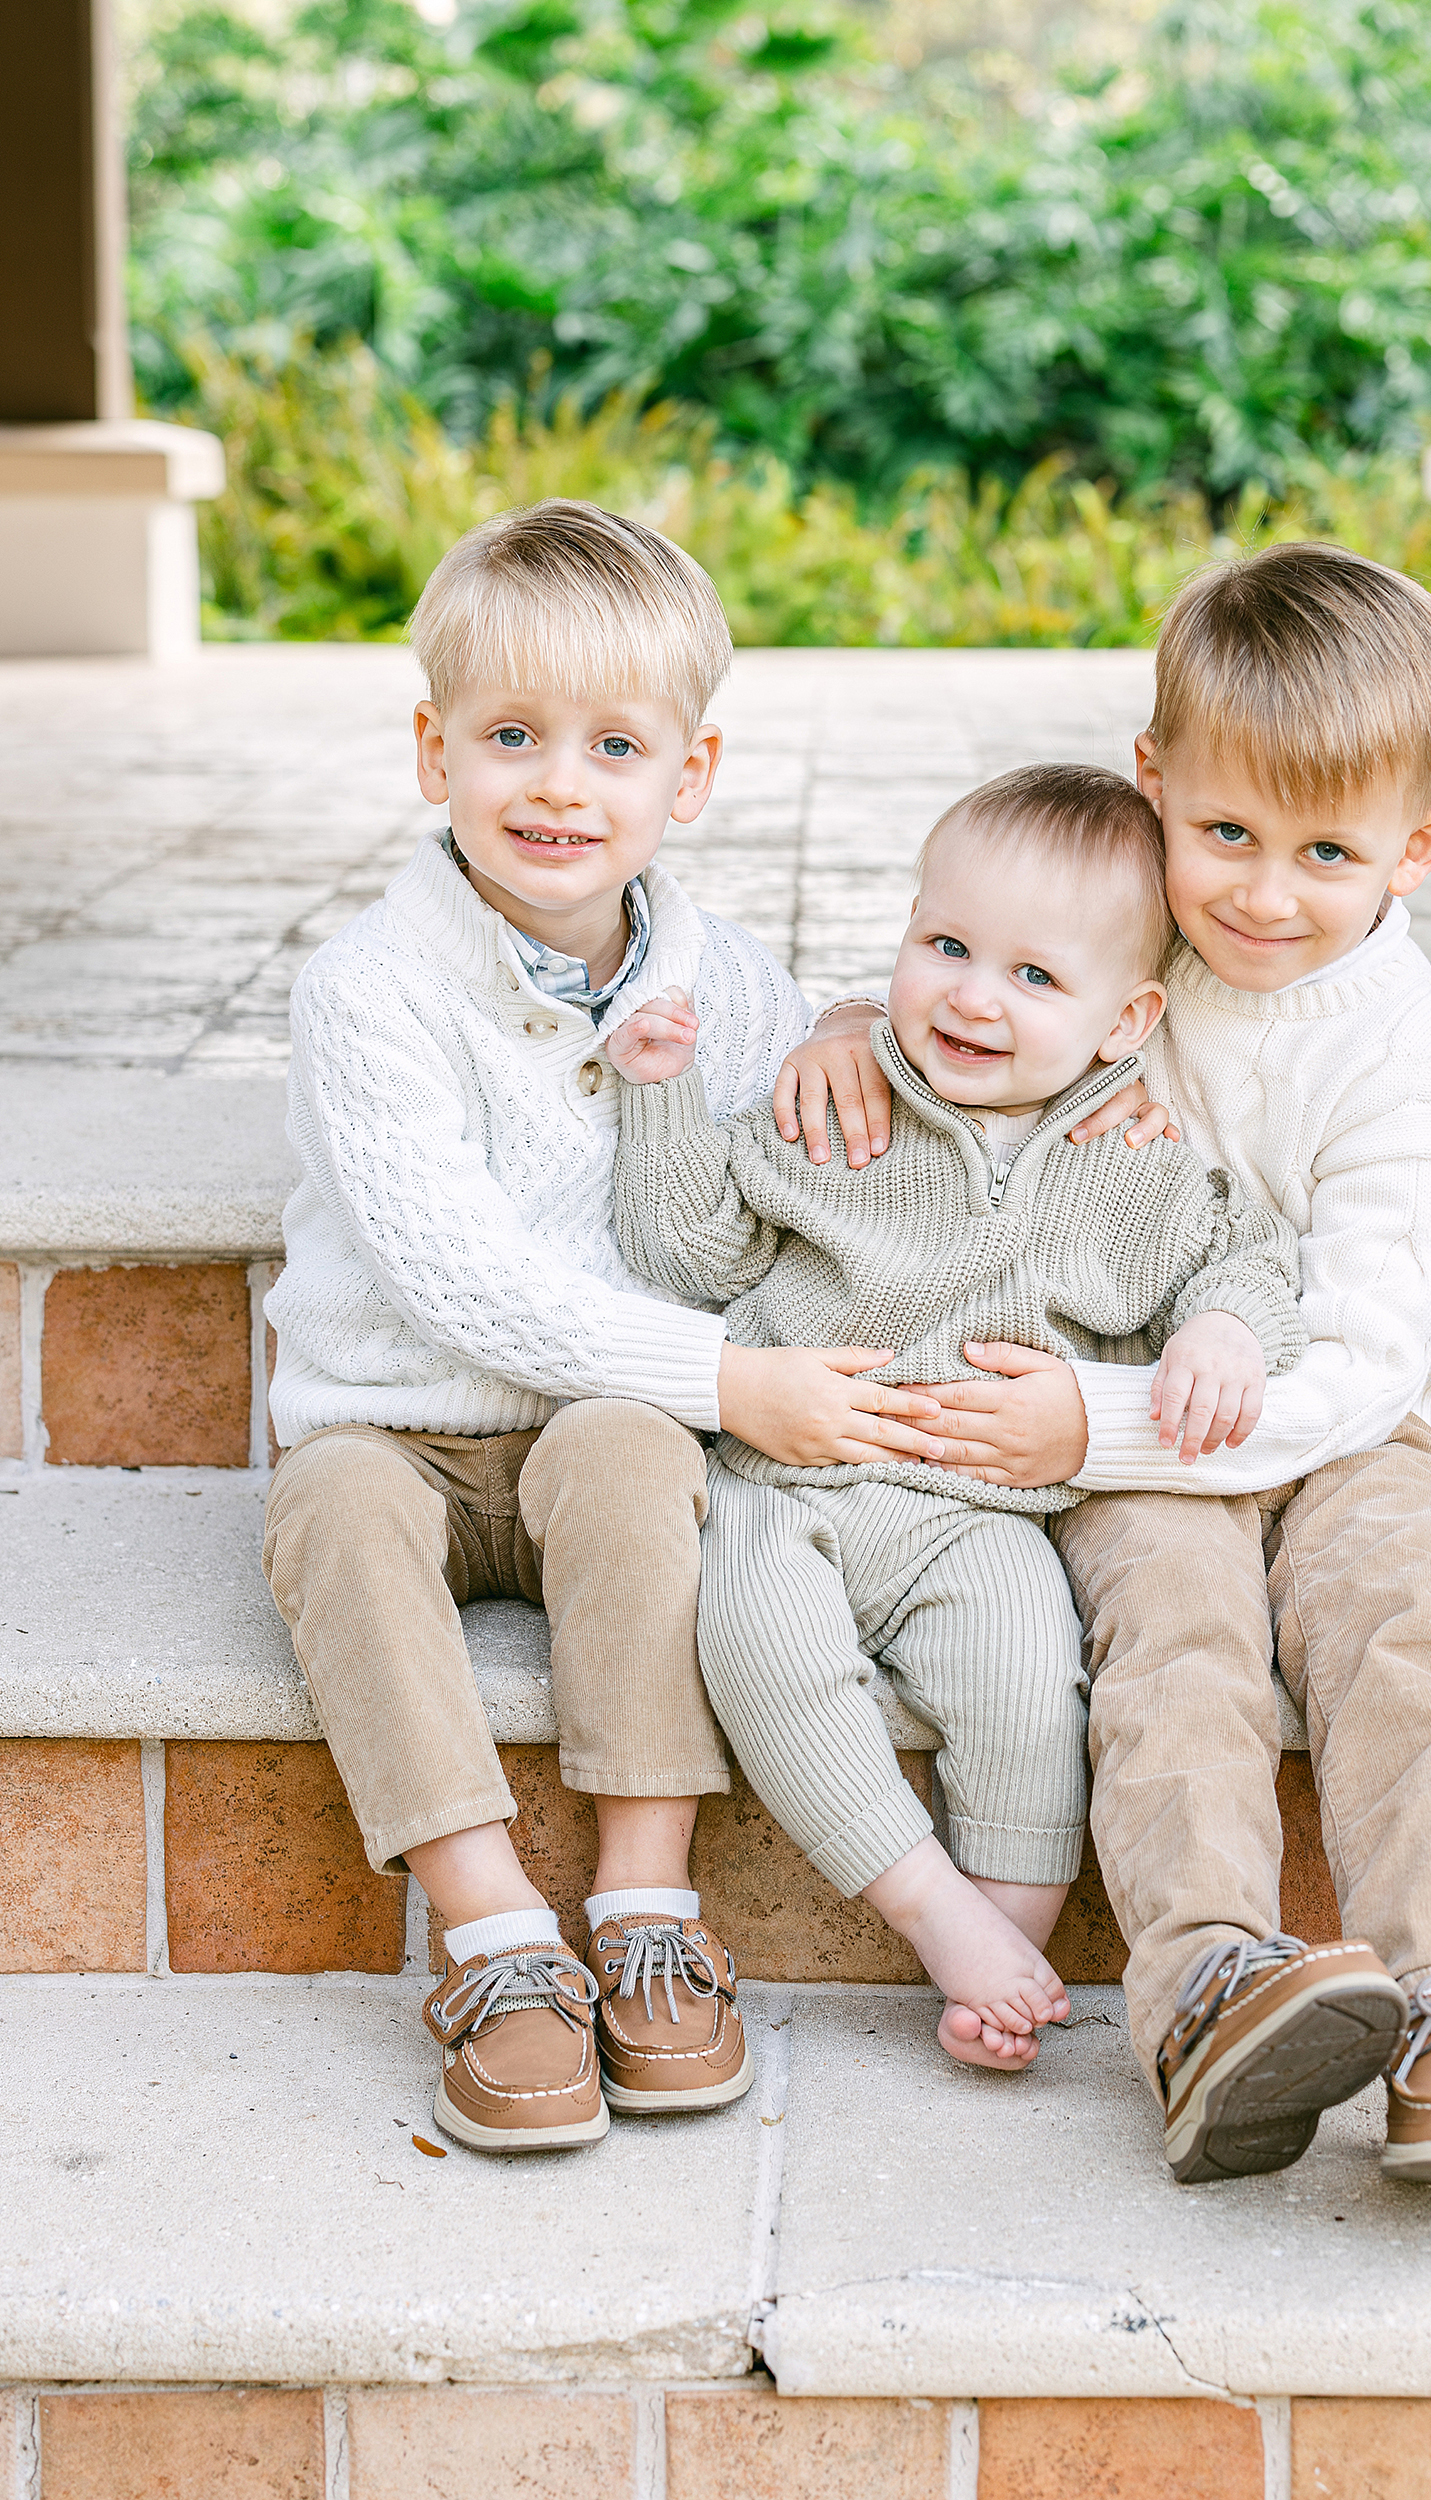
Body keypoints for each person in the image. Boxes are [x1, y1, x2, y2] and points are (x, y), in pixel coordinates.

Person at [781, 544, 1431, 2186]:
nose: (1263, 894)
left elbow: (1361, 1349)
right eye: (1224, 837)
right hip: (1126, 1413)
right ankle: (1206, 1981)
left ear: (1416, 848)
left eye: (1326, 852)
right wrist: (852, 1019)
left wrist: (1100, 1421)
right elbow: (977, 967)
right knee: (1173, 1633)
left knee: (1405, 1623)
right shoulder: (1142, 936)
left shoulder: (1400, 1051)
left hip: (1334, 1415)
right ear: (1156, 789)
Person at [259, 499, 957, 2152]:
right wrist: (732, 1377)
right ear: (435, 753)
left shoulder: (727, 976)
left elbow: (862, 1110)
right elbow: (459, 1280)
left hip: (603, 1433)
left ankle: (645, 1905)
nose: (559, 785)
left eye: (614, 745)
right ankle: (494, 1932)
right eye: (510, 736)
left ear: (686, 780)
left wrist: (860, 1019)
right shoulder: (367, 988)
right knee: (333, 1516)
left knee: (643, 1461)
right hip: (396, 1421)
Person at [605, 763, 1307, 2069]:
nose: (975, 996)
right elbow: (688, 1258)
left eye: (1036, 978)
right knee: (756, 1644)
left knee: (1031, 1684)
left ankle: (1007, 1947)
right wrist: (657, 1100)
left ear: (1123, 1020)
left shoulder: (1130, 1160)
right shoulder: (838, 1097)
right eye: (946, 946)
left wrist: (1220, 1329)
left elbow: (1249, 1258)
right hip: (782, 1483)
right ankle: (932, 1915)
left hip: (972, 1515)